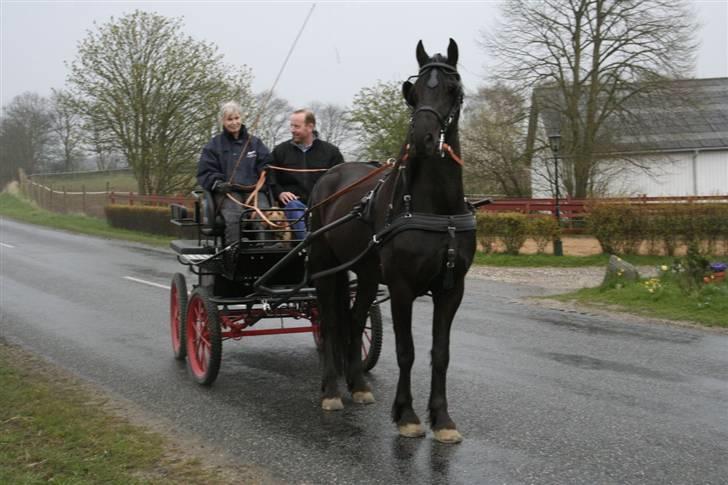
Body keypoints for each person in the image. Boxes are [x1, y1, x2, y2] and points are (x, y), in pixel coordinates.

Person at [197, 101, 273, 243]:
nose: (234, 123)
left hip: (254, 192)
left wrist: (265, 170)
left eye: (236, 118)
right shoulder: (213, 145)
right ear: (222, 121)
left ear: (242, 118)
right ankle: (233, 254)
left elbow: (266, 163)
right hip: (228, 193)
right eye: (229, 119)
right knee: (235, 216)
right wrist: (218, 183)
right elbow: (205, 172)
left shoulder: (255, 143)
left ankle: (265, 249)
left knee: (262, 215)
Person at [270, 109, 344, 239]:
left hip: (323, 205)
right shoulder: (280, 151)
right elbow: (271, 179)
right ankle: (308, 245)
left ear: (310, 127)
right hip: (294, 205)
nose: (292, 130)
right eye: (291, 126)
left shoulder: (331, 152)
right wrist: (280, 193)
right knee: (293, 206)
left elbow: (341, 180)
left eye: (296, 126)